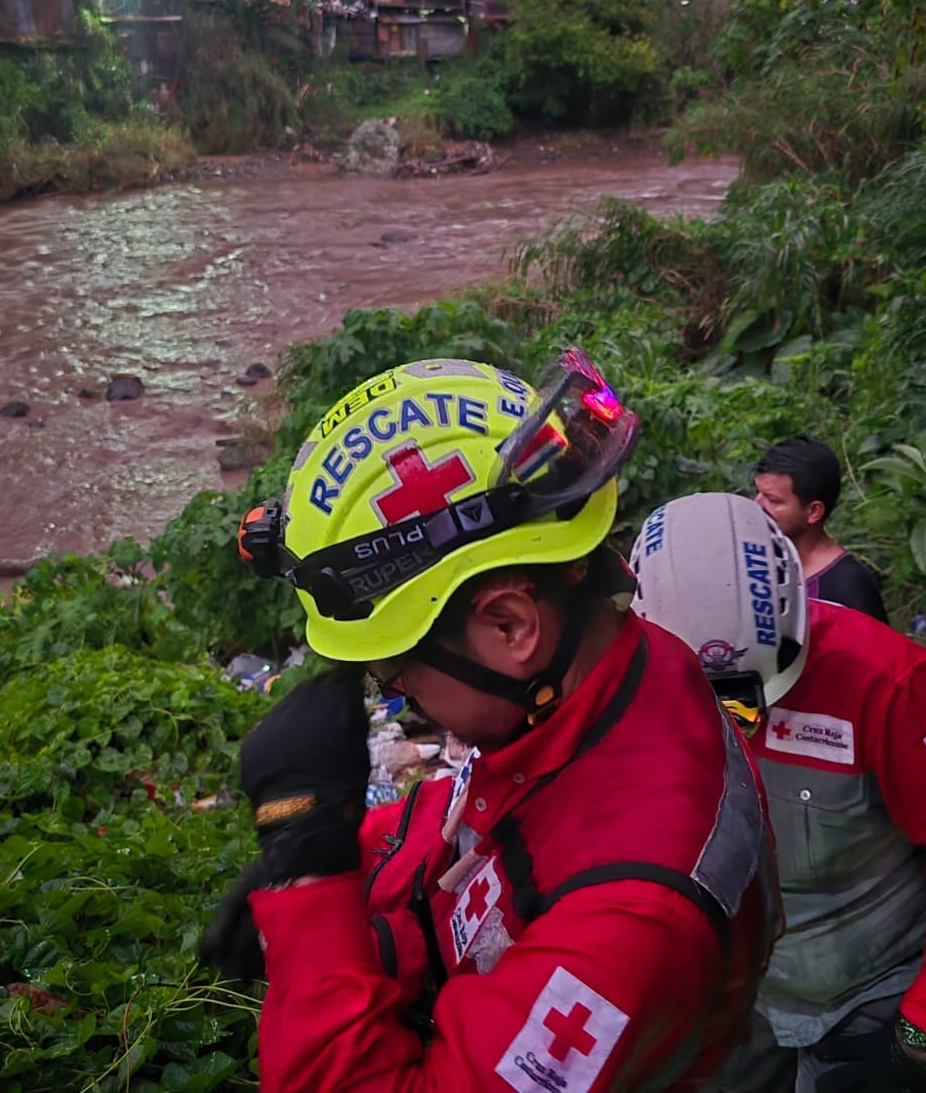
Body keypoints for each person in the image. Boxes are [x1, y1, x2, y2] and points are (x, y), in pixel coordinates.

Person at [201, 352, 781, 1093]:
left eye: (397, 668)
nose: (399, 693)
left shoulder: (628, 926)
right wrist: (365, 888)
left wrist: (311, 893)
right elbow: (493, 827)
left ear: (510, 626)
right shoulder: (620, 675)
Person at [628, 492, 926, 1093]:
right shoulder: (632, 682)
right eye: (708, 700)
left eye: (748, 699)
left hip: (865, 1000)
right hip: (737, 998)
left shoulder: (890, 686)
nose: (736, 722)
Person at [753, 436, 887, 623]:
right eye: (758, 492)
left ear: (813, 512)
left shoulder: (849, 584)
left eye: (773, 500)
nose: (757, 505)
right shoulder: (756, 561)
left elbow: (877, 650)